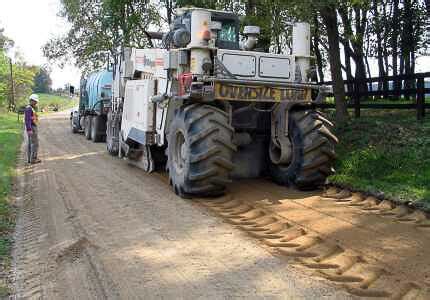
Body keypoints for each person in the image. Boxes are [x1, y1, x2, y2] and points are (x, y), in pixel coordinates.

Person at [25, 94, 41, 164]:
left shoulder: (31, 108)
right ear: (31, 100)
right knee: (35, 143)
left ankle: (30, 159)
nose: (36, 103)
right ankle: (33, 159)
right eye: (35, 101)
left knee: (31, 143)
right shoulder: (29, 108)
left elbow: (32, 117)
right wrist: (29, 129)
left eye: (36, 102)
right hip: (32, 127)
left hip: (32, 126)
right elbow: (27, 120)